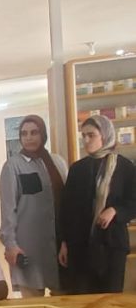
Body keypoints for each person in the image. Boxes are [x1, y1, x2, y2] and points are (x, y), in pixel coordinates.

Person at [58, 115, 136, 294]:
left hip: (112, 246)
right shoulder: (77, 169)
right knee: (82, 298)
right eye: (83, 136)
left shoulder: (125, 167)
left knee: (110, 299)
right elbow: (66, 209)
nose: (86, 140)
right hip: (80, 246)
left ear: (105, 135)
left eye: (91, 135)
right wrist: (64, 242)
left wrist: (115, 210)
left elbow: (133, 202)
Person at [0, 115, 68, 297]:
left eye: (34, 132)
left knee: (63, 298)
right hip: (29, 246)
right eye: (24, 133)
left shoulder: (57, 162)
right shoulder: (13, 166)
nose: (28, 138)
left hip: (59, 242)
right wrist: (11, 245)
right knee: (32, 301)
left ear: (43, 134)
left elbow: (68, 200)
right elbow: (8, 210)